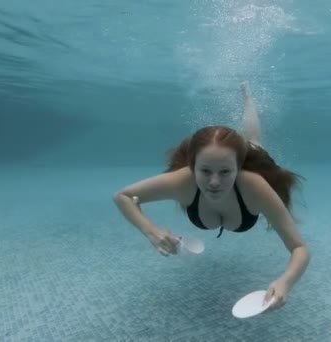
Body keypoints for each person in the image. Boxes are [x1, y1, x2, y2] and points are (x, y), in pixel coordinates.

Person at [113, 81, 310, 312]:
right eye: (205, 171)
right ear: (192, 166)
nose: (214, 182)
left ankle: (248, 97)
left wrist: (285, 283)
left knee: (254, 141)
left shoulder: (254, 186)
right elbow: (123, 196)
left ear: (238, 168)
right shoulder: (182, 181)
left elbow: (300, 248)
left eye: (225, 172)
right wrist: (152, 232)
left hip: (247, 160)